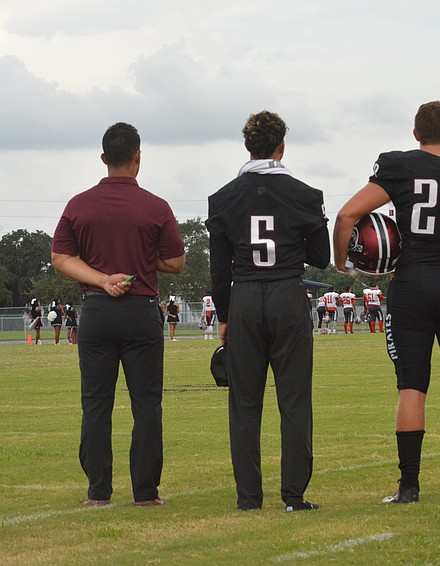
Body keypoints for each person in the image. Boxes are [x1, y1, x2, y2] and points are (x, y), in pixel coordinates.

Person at [334, 100, 440, 503]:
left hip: (413, 284)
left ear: (415, 133)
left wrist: (342, 262)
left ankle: (409, 487)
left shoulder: (399, 165)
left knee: (411, 388)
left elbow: (347, 215)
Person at [51, 122, 185, 507]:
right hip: (141, 311)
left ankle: (98, 492)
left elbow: (61, 258)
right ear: (138, 157)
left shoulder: (78, 205)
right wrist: (142, 260)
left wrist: (101, 279)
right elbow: (176, 263)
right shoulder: (156, 206)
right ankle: (145, 492)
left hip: (96, 311)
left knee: (96, 403)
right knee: (146, 404)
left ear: (104, 158)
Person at [206, 110, 329, 512]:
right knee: (294, 399)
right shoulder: (305, 194)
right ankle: (293, 495)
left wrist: (223, 316)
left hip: (242, 297)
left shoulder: (224, 198)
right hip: (287, 294)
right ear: (281, 146)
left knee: (244, 401)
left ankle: (249, 497)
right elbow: (321, 257)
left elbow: (218, 267)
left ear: (248, 147)